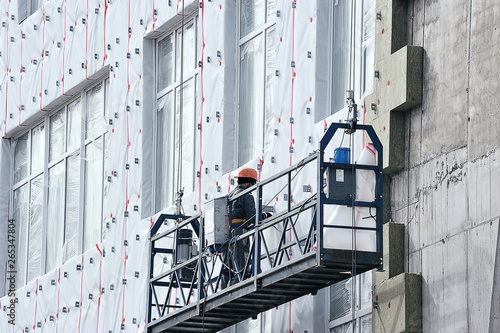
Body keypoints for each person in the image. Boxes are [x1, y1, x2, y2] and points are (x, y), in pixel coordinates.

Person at [221, 167, 259, 289]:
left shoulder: (230, 195)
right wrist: (263, 216)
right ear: (248, 183)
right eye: (253, 184)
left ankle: (223, 291)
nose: (253, 187)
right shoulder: (246, 195)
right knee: (241, 265)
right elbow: (252, 217)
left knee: (228, 267)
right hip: (239, 232)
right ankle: (237, 289)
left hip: (225, 234)